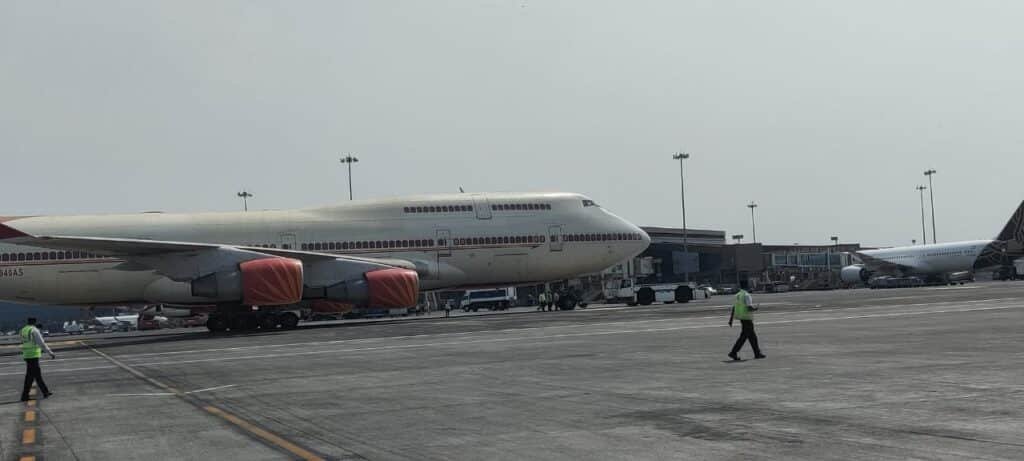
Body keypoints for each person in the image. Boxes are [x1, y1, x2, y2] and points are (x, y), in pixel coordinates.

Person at [728, 280, 765, 361]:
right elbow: (749, 307)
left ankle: (757, 353)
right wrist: (755, 308)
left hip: (742, 318)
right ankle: (733, 352)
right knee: (744, 337)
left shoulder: (738, 295)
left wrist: (731, 319)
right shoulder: (746, 295)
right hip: (747, 318)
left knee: (752, 337)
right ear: (747, 286)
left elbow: (734, 307)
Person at [20, 317, 55, 401]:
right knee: (32, 376)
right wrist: (50, 353)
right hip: (33, 355)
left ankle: (45, 392)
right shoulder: (34, 330)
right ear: (34, 322)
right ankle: (25, 396)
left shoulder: (23, 330)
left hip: (27, 355)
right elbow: (41, 343)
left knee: (34, 376)